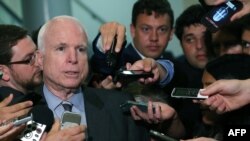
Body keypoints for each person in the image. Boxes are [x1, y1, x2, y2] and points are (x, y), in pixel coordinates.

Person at [36, 15, 150, 141]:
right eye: (61, 49)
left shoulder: (119, 107)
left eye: (80, 49)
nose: (73, 59)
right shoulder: (21, 114)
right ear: (40, 59)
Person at [0, 24, 85, 141]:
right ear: (3, 71)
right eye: (29, 59)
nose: (39, 62)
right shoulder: (20, 116)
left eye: (37, 54)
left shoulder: (38, 108)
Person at [90, 0, 176, 90]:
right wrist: (105, 42)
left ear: (171, 33)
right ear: (132, 30)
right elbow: (101, 66)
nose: (154, 38)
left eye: (162, 29)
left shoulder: (174, 65)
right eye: (146, 29)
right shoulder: (119, 59)